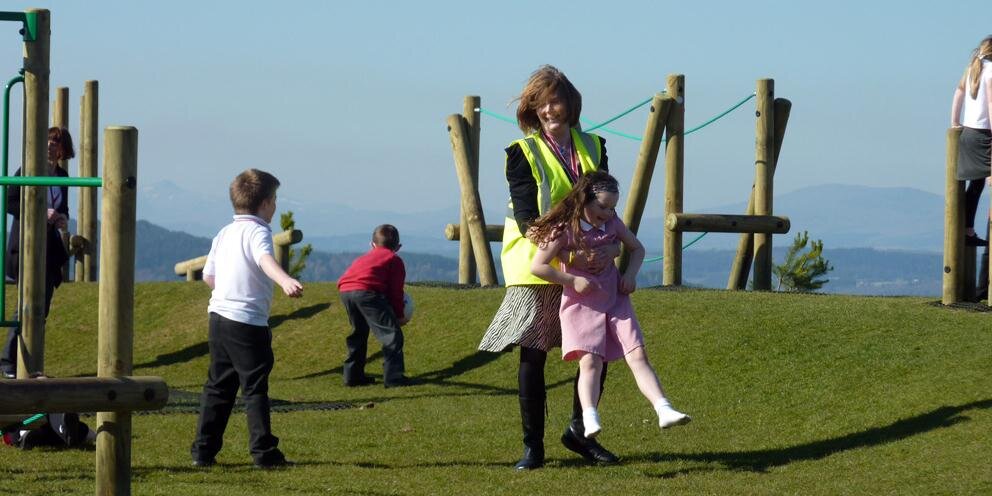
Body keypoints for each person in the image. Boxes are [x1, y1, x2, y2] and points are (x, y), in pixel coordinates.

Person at [477, 65, 621, 470]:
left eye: (554, 100)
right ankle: (532, 446)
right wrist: (565, 252)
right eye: (539, 103)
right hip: (535, 266)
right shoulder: (521, 152)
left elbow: (605, 204)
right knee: (534, 353)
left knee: (595, 350)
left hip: (589, 262)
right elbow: (527, 217)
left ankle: (580, 433)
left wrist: (610, 246)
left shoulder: (594, 145)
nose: (548, 110)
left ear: (570, 104)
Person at [529, 171, 690, 439]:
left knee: (638, 354)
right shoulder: (564, 228)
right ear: (584, 200)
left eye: (612, 207)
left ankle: (664, 408)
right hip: (581, 304)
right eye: (602, 206)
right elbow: (538, 266)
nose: (607, 213)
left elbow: (637, 249)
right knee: (590, 362)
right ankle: (589, 418)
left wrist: (629, 275)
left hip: (615, 298)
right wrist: (571, 280)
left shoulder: (612, 224)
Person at [190, 168, 303, 470]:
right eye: (275, 200)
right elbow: (265, 259)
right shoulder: (258, 232)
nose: (276, 206)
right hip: (248, 322)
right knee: (254, 388)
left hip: (218, 318)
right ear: (265, 203)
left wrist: (228, 288)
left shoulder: (224, 233)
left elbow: (208, 276)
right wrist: (285, 280)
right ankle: (264, 454)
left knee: (218, 387)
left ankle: (203, 451)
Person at [1, 127, 72, 379]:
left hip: (49, 250)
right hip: (27, 245)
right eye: (49, 140)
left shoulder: (62, 175)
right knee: (27, 305)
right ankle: (8, 361)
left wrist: (63, 218)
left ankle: (29, 362)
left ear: (64, 149)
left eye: (57, 142)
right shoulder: (29, 170)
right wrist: (40, 213)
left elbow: (62, 207)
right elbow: (10, 201)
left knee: (42, 308)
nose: (52, 146)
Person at [337, 224, 415, 388]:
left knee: (358, 332)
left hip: (345, 290)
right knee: (392, 335)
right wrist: (399, 316)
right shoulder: (394, 260)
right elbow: (395, 292)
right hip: (367, 292)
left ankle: (353, 376)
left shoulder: (362, 258)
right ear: (398, 247)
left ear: (372, 245)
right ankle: (394, 378)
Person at [950, 35, 992, 247]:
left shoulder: (972, 68)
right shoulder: (991, 71)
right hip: (985, 135)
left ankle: (967, 230)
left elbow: (958, 93)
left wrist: (955, 121)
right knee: (978, 185)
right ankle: (968, 231)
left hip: (968, 133)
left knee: (975, 186)